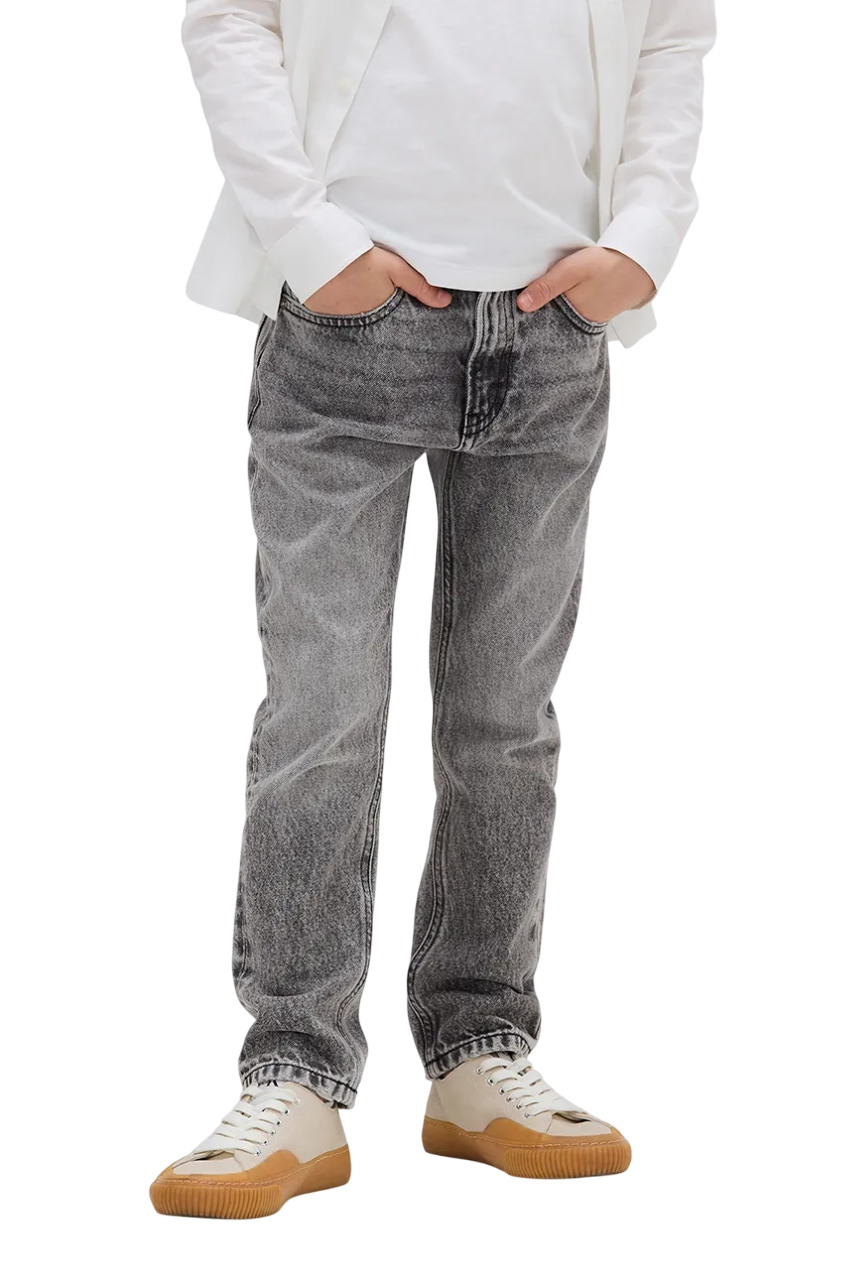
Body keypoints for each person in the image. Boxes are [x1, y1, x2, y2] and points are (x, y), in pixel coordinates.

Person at [150, 0, 715, 1218]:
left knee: (502, 719)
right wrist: (308, 237)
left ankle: (476, 1050)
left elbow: (672, 33)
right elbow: (232, 18)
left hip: (553, 332)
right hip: (342, 330)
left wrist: (646, 235)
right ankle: (294, 1067)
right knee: (322, 708)